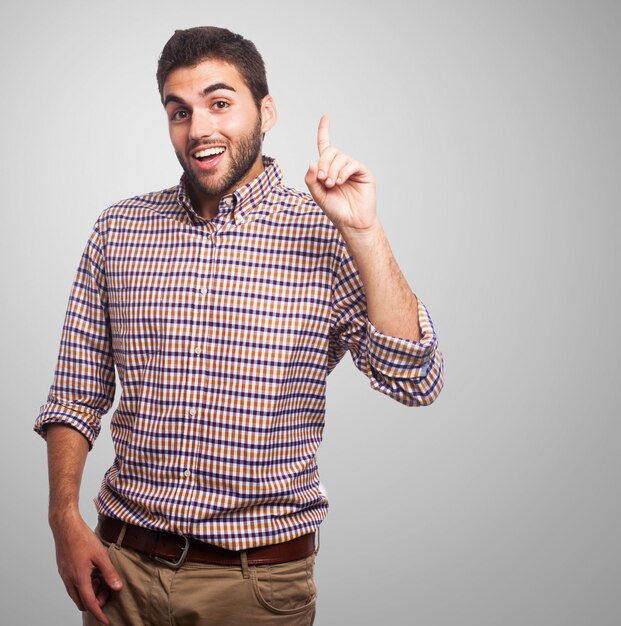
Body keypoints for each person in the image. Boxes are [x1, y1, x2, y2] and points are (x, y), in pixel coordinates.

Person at [35, 26, 444, 626]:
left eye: (219, 103)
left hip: (255, 588)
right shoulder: (117, 229)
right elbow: (74, 396)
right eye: (180, 111)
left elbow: (415, 379)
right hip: (120, 571)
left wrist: (364, 232)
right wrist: (63, 519)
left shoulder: (325, 231)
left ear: (266, 111)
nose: (199, 128)